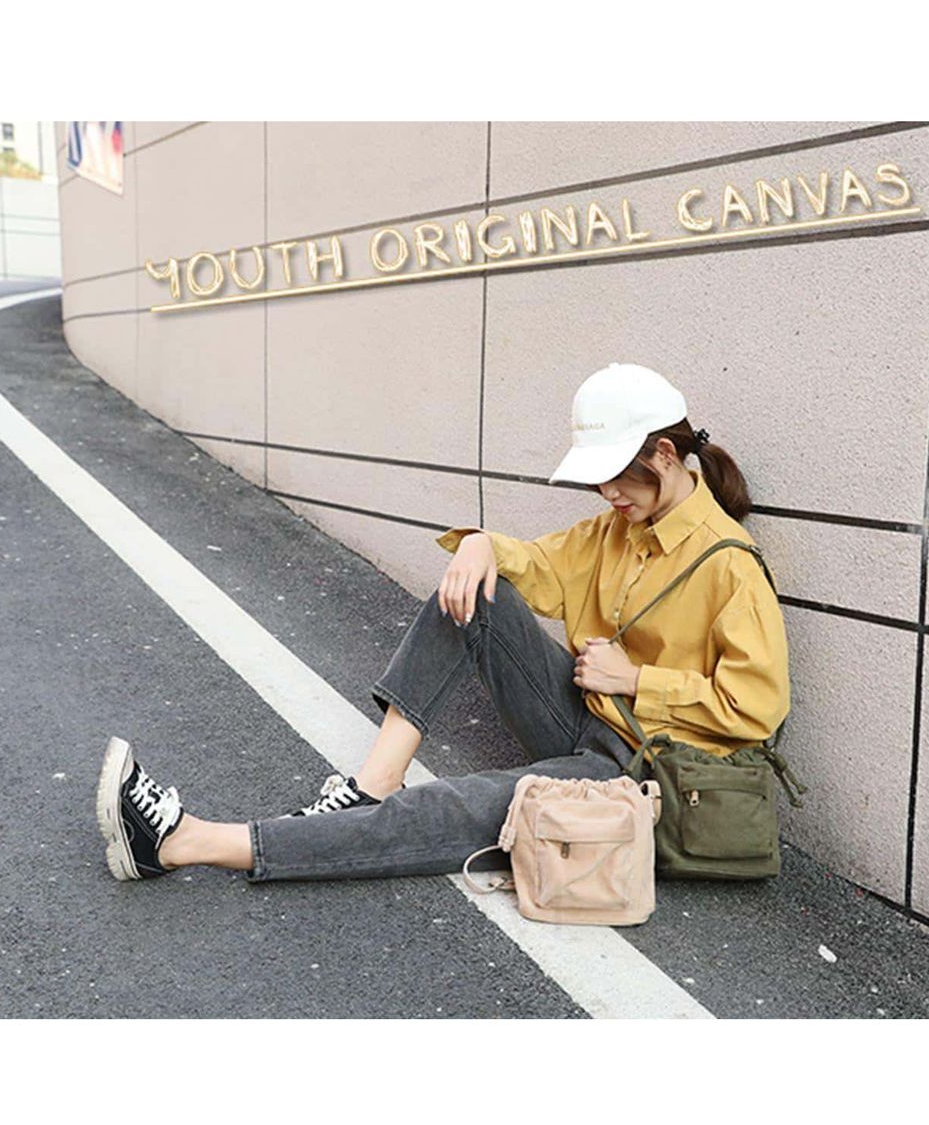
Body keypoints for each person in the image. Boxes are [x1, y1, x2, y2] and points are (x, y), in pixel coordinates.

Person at [95, 362, 791, 884]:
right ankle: (374, 785)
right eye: (599, 479)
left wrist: (636, 679)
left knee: (460, 809)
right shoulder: (616, 529)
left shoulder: (728, 563)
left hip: (645, 769)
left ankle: (188, 843)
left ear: (665, 455)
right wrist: (480, 544)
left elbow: (757, 708)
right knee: (473, 587)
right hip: (585, 716)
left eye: (617, 477)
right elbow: (537, 566)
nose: (607, 493)